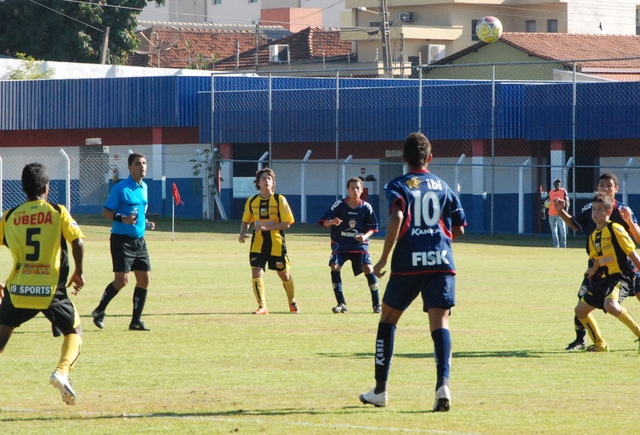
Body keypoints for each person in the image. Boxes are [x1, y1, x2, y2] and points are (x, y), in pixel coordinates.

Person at [359, 132, 466, 412]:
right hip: (441, 261)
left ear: (404, 158)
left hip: (408, 263)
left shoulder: (397, 184)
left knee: (388, 319)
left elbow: (397, 215)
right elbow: (459, 227)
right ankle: (443, 385)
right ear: (429, 158)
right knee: (440, 323)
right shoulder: (443, 185)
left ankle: (381, 390)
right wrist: (436, 241)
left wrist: (383, 258)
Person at [0, 163, 85, 405]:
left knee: (2, 334)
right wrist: (78, 272)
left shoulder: (10, 216)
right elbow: (77, 242)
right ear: (47, 188)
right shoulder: (57, 211)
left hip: (17, 291)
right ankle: (62, 372)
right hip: (50, 291)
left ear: (23, 188)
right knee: (74, 331)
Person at [554, 172, 640, 351]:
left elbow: (633, 247)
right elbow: (576, 225)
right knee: (581, 305)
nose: (605, 188)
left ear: (616, 189)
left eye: (609, 185)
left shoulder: (622, 213)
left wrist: (629, 223)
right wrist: (592, 271)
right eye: (602, 185)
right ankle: (585, 340)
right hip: (600, 267)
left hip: (624, 269)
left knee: (616, 303)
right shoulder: (592, 221)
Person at [92, 152, 155, 331]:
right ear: (130, 167)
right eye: (137, 163)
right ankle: (99, 310)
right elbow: (106, 212)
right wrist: (122, 218)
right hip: (121, 241)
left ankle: (136, 321)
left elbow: (142, 208)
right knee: (122, 281)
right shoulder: (120, 188)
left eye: (144, 163)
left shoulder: (145, 187)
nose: (142, 166)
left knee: (145, 279)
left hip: (139, 241)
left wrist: (145, 221)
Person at [575, 192, 640, 353]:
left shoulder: (615, 228)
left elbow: (632, 252)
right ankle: (600, 345)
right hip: (606, 278)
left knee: (610, 305)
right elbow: (598, 257)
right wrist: (592, 270)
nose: (595, 213)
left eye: (600, 209)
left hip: (623, 276)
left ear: (609, 212)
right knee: (580, 310)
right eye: (594, 209)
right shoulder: (593, 236)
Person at [239, 168, 299, 315]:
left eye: (269, 178)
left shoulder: (279, 200)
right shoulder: (252, 201)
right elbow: (246, 220)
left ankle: (292, 301)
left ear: (273, 183)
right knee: (256, 271)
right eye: (264, 178)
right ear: (258, 183)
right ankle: (262, 306)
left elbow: (287, 223)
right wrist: (242, 233)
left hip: (276, 244)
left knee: (284, 274)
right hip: (258, 243)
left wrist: (268, 227)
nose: (267, 181)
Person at [318, 177, 380, 314]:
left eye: (358, 188)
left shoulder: (366, 207)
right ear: (347, 190)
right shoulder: (339, 205)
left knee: (368, 268)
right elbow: (324, 221)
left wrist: (364, 236)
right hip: (341, 244)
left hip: (359, 245)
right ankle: (341, 303)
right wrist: (332, 222)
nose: (355, 190)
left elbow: (373, 228)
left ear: (362, 190)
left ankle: (377, 305)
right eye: (352, 188)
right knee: (334, 266)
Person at [542, 178, 569, 248]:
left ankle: (563, 246)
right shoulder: (551, 192)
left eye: (558, 183)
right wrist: (543, 210)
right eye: (556, 183)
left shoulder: (563, 191)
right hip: (551, 213)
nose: (557, 184)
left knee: (562, 230)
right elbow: (546, 201)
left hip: (560, 213)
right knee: (554, 231)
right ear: (553, 184)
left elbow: (567, 202)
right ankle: (556, 246)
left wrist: (565, 211)